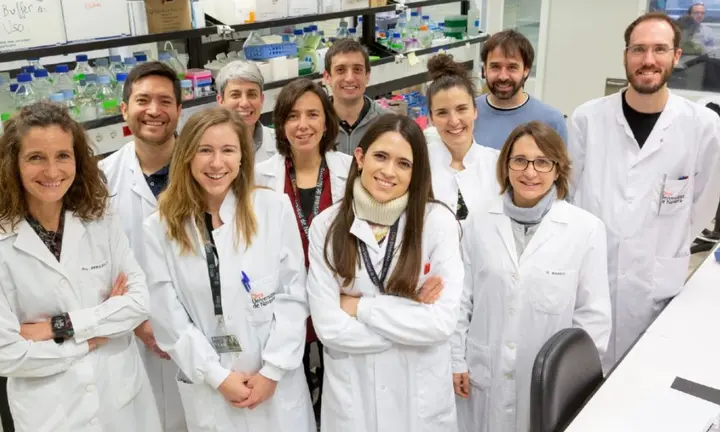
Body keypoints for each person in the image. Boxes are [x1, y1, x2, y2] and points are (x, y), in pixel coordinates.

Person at [0, 101, 161, 432]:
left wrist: (58, 326)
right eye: (36, 157)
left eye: (63, 156)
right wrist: (92, 336)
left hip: (122, 401)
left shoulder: (101, 221)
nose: (52, 172)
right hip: (52, 415)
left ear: (77, 160)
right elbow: (6, 354)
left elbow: (138, 304)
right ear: (14, 164)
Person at [141, 107, 316, 432]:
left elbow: (293, 296)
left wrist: (272, 371)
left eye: (228, 150)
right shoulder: (160, 227)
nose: (216, 163)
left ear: (242, 157)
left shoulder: (272, 209)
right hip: (212, 392)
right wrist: (217, 377)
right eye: (204, 150)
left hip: (276, 388)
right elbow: (169, 319)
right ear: (187, 156)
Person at [568, 12, 720, 372]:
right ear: (625, 55)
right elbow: (569, 198)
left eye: (659, 49)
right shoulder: (587, 119)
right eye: (638, 49)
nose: (648, 60)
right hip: (593, 280)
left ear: (676, 56)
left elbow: (705, 202)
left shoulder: (703, 126)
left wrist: (664, 244)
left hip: (656, 283)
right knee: (585, 386)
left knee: (644, 379)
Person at [307, 113, 464, 432]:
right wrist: (408, 325)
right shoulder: (326, 226)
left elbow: (441, 323)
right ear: (360, 157)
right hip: (355, 399)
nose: (389, 171)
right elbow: (328, 328)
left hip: (418, 400)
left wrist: (357, 307)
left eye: (404, 163)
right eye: (381, 156)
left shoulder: (437, 223)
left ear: (415, 171)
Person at [453, 121, 611, 432]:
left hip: (548, 382)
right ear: (506, 166)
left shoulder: (586, 230)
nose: (530, 172)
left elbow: (593, 318)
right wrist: (456, 359)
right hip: (485, 373)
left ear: (558, 169)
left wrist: (572, 378)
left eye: (542, 162)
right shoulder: (480, 222)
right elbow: (461, 300)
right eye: (520, 160)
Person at [254, 78, 352, 417]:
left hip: (340, 300)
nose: (303, 125)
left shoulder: (351, 170)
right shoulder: (258, 177)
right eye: (293, 116)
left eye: (313, 114)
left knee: (339, 398)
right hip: (284, 303)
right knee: (293, 402)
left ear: (327, 120)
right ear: (280, 124)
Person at [99, 61, 186, 431]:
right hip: (130, 336)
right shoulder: (100, 180)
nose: (154, 110)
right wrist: (137, 322)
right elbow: (96, 264)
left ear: (179, 111)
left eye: (165, 101)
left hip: (200, 328)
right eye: (142, 100)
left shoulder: (209, 168)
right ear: (124, 110)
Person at [424, 53, 501, 229]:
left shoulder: (497, 163)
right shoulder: (418, 164)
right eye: (442, 112)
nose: (454, 121)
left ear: (475, 110)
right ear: (431, 118)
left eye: (461, 109)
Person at [475, 30, 568, 149]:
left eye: (512, 67)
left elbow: (561, 166)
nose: (503, 76)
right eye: (495, 67)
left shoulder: (551, 121)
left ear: (526, 70)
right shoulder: (466, 115)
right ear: (484, 69)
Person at [322, 39, 391, 154]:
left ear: (367, 76)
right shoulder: (315, 124)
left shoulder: (388, 123)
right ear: (328, 77)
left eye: (357, 70)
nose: (349, 78)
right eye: (340, 70)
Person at [216, 60, 277, 162]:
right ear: (221, 100)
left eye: (252, 94)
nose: (244, 103)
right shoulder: (204, 145)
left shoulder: (281, 144)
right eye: (235, 95)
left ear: (261, 99)